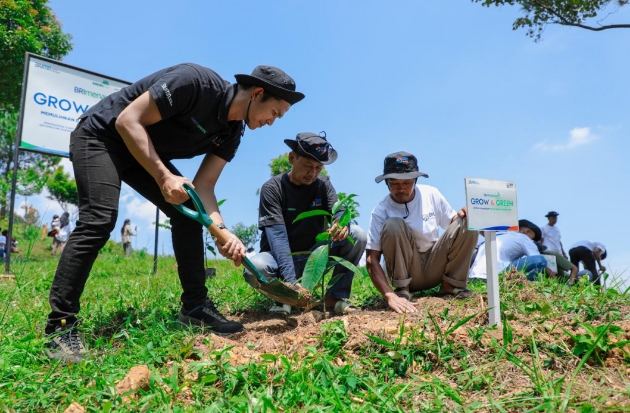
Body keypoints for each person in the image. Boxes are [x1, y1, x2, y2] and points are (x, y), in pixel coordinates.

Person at [44, 63, 305, 363]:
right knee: (99, 218)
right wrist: (163, 176)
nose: (272, 122)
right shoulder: (195, 83)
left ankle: (195, 309)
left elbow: (204, 187)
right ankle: (60, 326)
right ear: (258, 93)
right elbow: (127, 121)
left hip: (141, 151)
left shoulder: (231, 132)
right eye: (275, 113)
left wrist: (223, 234)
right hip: (102, 135)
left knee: (187, 211)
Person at [245, 132, 367, 315]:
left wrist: (341, 223)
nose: (313, 173)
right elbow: (277, 237)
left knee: (357, 235)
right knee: (255, 267)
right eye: (308, 166)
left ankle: (334, 298)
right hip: (279, 260)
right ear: (292, 158)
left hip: (314, 257)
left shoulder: (323, 185)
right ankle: (283, 299)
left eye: (319, 167)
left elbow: (338, 210)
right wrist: (292, 284)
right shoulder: (272, 189)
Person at [365, 152, 478, 314]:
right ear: (387, 183)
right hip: (407, 271)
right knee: (393, 225)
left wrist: (466, 215)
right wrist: (389, 295)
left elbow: (454, 224)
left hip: (435, 265)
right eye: (394, 183)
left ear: (415, 180)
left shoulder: (431, 194)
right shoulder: (380, 211)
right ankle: (403, 290)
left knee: (468, 221)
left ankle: (451, 286)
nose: (401, 188)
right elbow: (371, 259)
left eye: (407, 182)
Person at [470, 219, 552, 281]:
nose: (532, 241)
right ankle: (520, 284)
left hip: (474, 277)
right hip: (494, 276)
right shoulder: (524, 237)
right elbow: (537, 259)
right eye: (533, 238)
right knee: (541, 260)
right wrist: (553, 276)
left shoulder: (498, 235)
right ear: (526, 231)